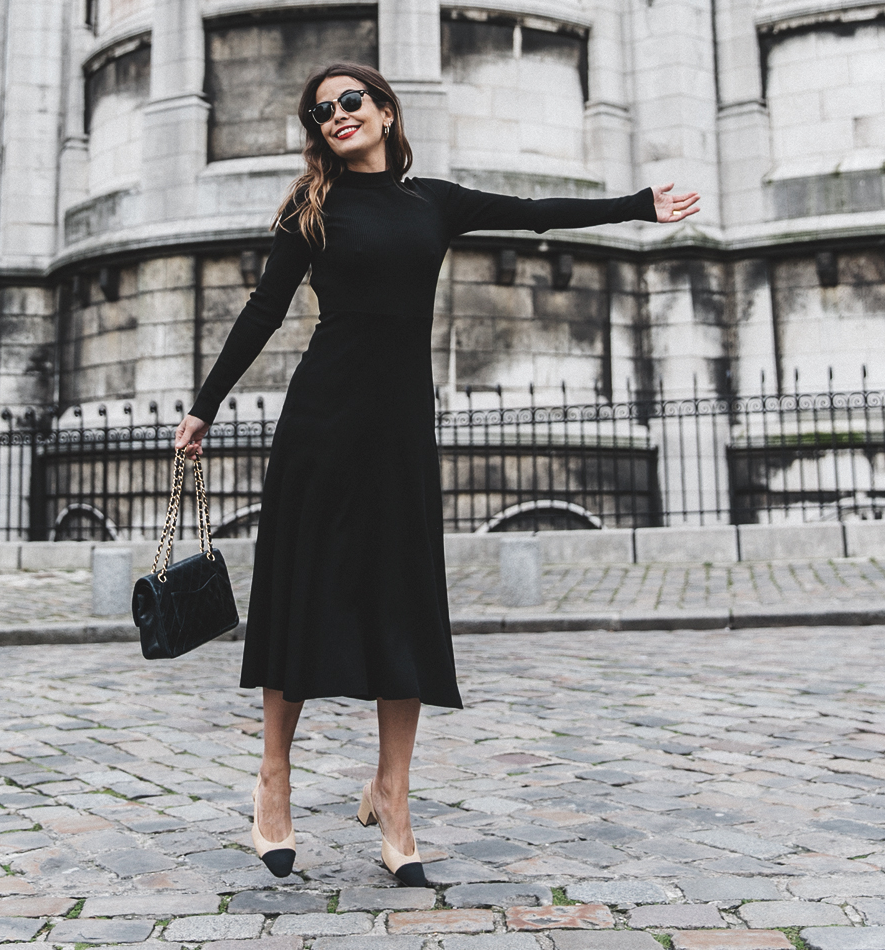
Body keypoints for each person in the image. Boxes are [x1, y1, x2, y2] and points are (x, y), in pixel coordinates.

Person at [175, 61, 700, 884]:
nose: (337, 115)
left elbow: (534, 215)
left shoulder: (435, 202)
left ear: (384, 110)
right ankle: (272, 780)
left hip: (399, 430)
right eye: (322, 111)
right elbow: (263, 310)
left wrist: (639, 205)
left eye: (351, 101)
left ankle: (393, 791)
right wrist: (204, 407)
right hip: (320, 423)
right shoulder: (310, 210)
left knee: (403, 600)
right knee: (301, 593)